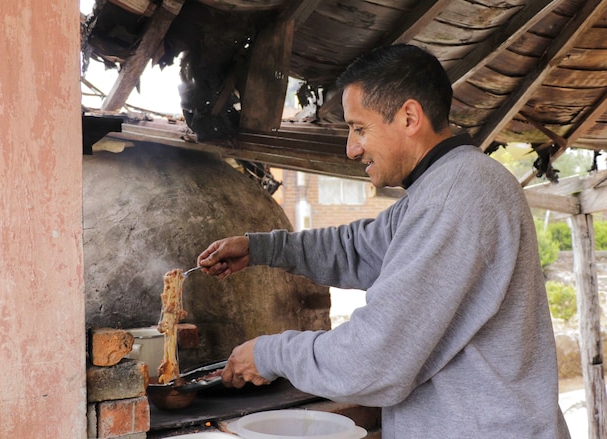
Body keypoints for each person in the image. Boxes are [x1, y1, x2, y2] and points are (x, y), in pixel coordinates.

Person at [197, 44, 571, 438]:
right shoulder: (443, 187)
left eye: (359, 128)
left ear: (409, 117)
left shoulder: (457, 196)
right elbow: (358, 248)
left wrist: (269, 353)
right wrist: (261, 248)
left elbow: (373, 360)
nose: (351, 148)